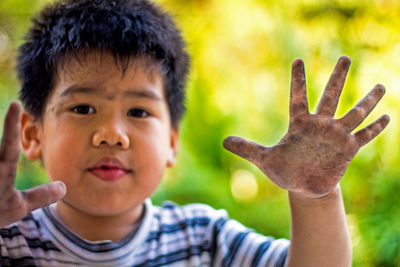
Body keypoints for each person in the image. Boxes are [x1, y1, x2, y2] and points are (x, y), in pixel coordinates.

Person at [0, 0, 389, 266]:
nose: (113, 135)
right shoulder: (9, 240)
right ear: (33, 135)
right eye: (83, 108)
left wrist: (315, 197)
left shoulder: (205, 239)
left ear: (171, 142)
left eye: (138, 111)